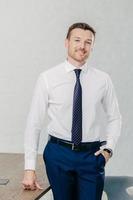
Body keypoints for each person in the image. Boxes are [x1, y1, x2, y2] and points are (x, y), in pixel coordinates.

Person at [22, 22, 122, 200]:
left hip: (91, 156)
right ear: (66, 42)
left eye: (88, 42)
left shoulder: (102, 79)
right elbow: (34, 123)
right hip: (58, 154)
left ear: (92, 47)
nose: (82, 46)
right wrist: (29, 168)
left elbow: (115, 117)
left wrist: (109, 149)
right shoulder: (47, 78)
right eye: (77, 40)